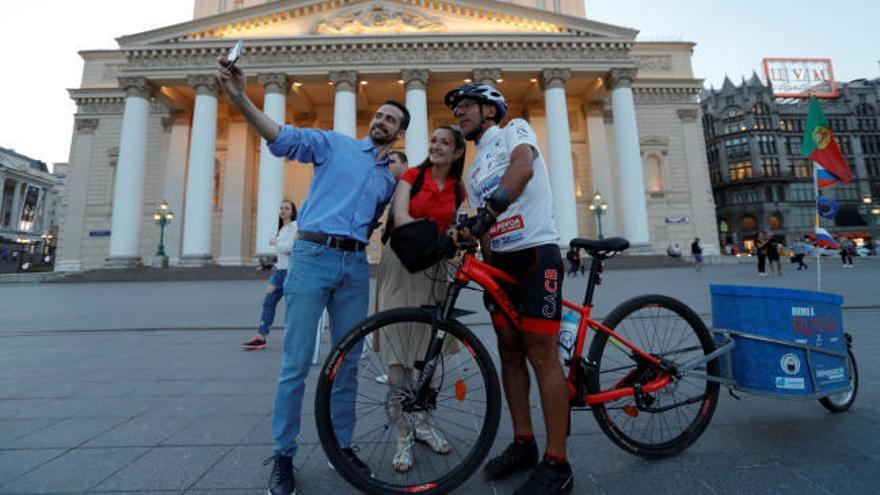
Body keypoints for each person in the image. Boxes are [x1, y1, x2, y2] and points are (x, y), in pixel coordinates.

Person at [216, 58, 409, 495]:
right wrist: (240, 96)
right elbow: (279, 136)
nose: (381, 121)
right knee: (296, 364)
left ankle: (342, 446)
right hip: (312, 256)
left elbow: (391, 220)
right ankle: (283, 456)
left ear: (398, 133)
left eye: (391, 120)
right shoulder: (332, 144)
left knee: (349, 363)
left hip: (355, 265)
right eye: (379, 114)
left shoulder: (388, 181)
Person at [447, 83, 573, 494]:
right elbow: (484, 226)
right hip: (501, 263)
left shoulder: (515, 130)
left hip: (536, 254)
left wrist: (492, 209)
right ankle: (524, 443)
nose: (459, 114)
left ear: (489, 109)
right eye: (457, 109)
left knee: (541, 353)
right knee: (509, 350)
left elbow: (523, 169)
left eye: (466, 107)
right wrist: (476, 245)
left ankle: (558, 464)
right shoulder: (477, 166)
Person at [376, 125, 466, 473]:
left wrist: (456, 236)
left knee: (429, 351)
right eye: (434, 141)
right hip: (402, 265)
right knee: (399, 354)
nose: (437, 147)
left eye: (445, 143)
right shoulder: (412, 175)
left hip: (436, 270)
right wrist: (443, 236)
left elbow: (464, 223)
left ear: (458, 152)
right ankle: (402, 435)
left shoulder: (458, 187)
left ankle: (425, 424)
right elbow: (401, 218)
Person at [242, 200, 298, 350]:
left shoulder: (294, 227)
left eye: (287, 208)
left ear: (292, 212)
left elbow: (291, 248)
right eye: (281, 208)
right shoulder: (283, 228)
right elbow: (282, 255)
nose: (283, 211)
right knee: (269, 302)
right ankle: (261, 337)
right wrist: (269, 263)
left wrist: (275, 242)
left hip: (288, 273)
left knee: (290, 305)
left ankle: (266, 337)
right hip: (280, 271)